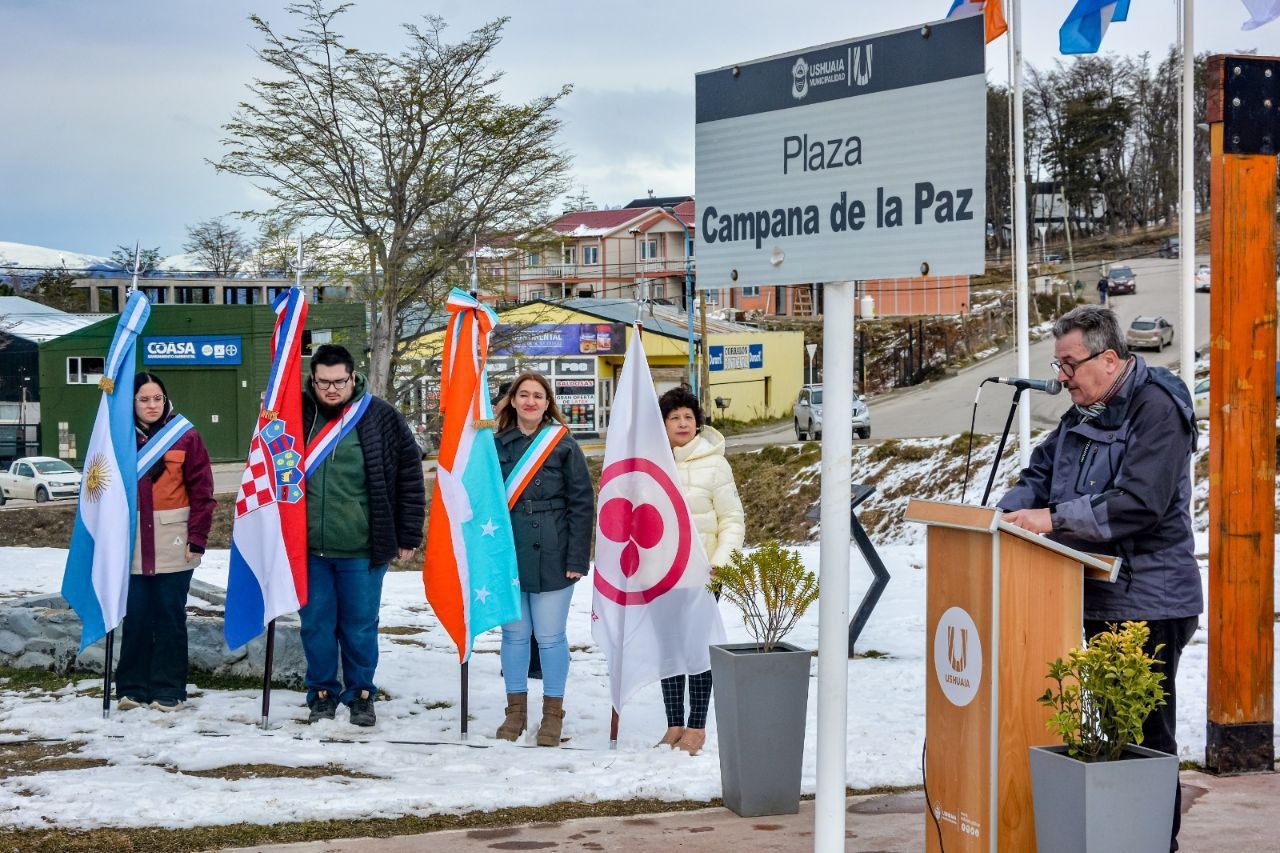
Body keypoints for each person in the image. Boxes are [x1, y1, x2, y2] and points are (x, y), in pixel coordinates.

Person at [998, 306, 1200, 852]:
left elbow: (1139, 503)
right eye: (1058, 364)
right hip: (1095, 596)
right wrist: (1006, 515)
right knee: (1109, 735)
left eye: (1069, 364)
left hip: (1150, 600)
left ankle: (1156, 843)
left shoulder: (1157, 408)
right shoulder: (1083, 412)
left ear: (1108, 359)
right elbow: (1040, 473)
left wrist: (1055, 520)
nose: (1061, 378)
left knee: (1144, 739)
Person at [300, 344, 425, 727]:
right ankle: (322, 692)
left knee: (359, 625)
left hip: (362, 546)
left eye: (340, 381)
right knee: (316, 624)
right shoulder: (296, 414)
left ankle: (361, 694)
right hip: (308, 548)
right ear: (313, 380)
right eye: (324, 382)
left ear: (353, 377)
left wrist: (408, 533)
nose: (332, 389)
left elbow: (409, 477)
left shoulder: (380, 416)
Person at [493, 372, 594, 746]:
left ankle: (553, 715)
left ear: (548, 402)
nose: (530, 401)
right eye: (524, 395)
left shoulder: (563, 444)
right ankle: (515, 712)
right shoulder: (497, 444)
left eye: (538, 395)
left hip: (554, 550)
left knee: (550, 638)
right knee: (514, 636)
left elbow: (582, 504)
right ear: (514, 401)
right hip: (510, 552)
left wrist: (578, 558)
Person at [116, 373, 215, 712]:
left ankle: (168, 689)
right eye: (144, 399)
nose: (152, 405)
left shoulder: (185, 436)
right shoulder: (117, 437)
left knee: (170, 617)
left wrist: (198, 539)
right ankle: (131, 688)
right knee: (136, 616)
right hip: (130, 543)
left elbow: (203, 492)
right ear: (132, 403)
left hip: (174, 539)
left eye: (157, 398)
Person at [654, 386, 745, 754]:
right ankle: (674, 722)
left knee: (697, 647)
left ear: (697, 422)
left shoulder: (715, 463)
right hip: (661, 574)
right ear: (663, 423)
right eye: (674, 417)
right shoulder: (653, 463)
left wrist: (720, 564)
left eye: (688, 417)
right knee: (669, 647)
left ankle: (696, 726)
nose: (682, 423)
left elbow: (732, 520)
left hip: (702, 572)